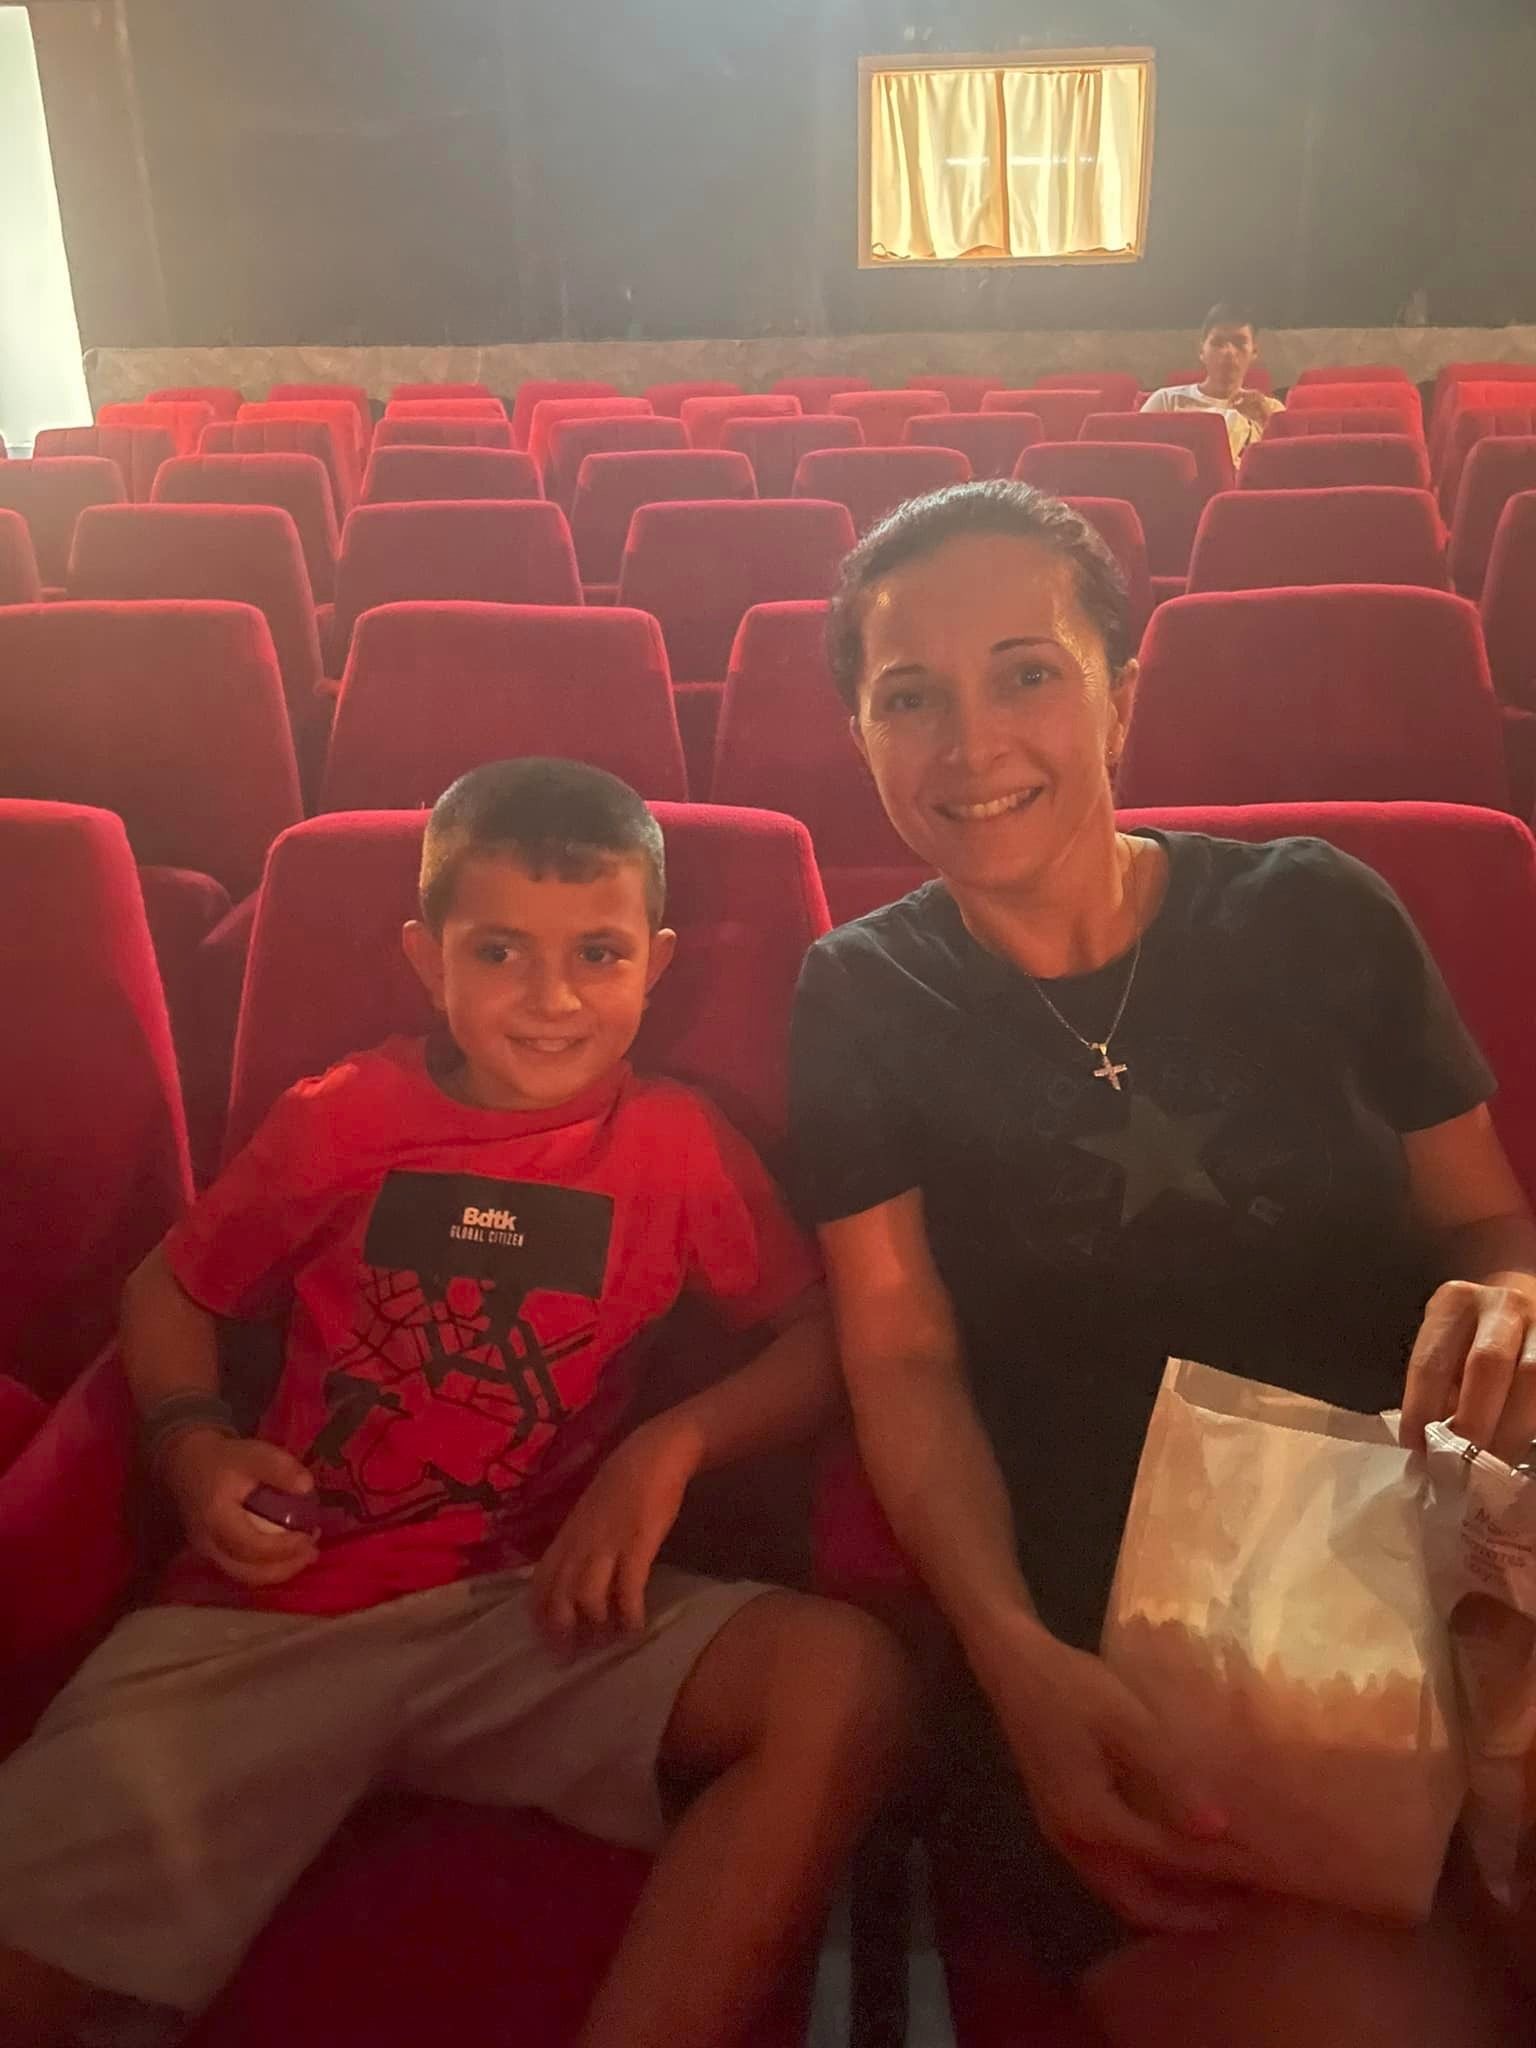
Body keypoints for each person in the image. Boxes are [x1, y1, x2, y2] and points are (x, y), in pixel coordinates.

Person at [0, 758, 914, 2048]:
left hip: (530, 1614)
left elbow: (822, 1336)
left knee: (847, 1681)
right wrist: (192, 1441)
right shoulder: (345, 1118)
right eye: (500, 951)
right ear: (429, 961)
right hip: (276, 1613)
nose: (553, 997)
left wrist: (667, 1448)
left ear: (654, 963)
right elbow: (170, 1285)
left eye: (597, 953)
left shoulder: (678, 1145)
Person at [789, 480, 1535, 2046]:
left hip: (1444, 1550)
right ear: (857, 733)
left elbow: (1488, 1223)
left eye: (1028, 673)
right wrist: (1009, 1660)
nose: (971, 744)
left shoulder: (1318, 912)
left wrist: (1516, 1297)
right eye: (909, 697)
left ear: (1123, 690)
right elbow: (902, 1350)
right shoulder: (860, 997)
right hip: (1123, 1640)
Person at [1141, 303, 1285, 462]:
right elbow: (1139, 459)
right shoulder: (1166, 401)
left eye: (1239, 343)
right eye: (1218, 343)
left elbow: (1287, 464)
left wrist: (1267, 421)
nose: (1229, 352)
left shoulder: (1270, 409)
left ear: (1254, 352)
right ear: (1201, 351)